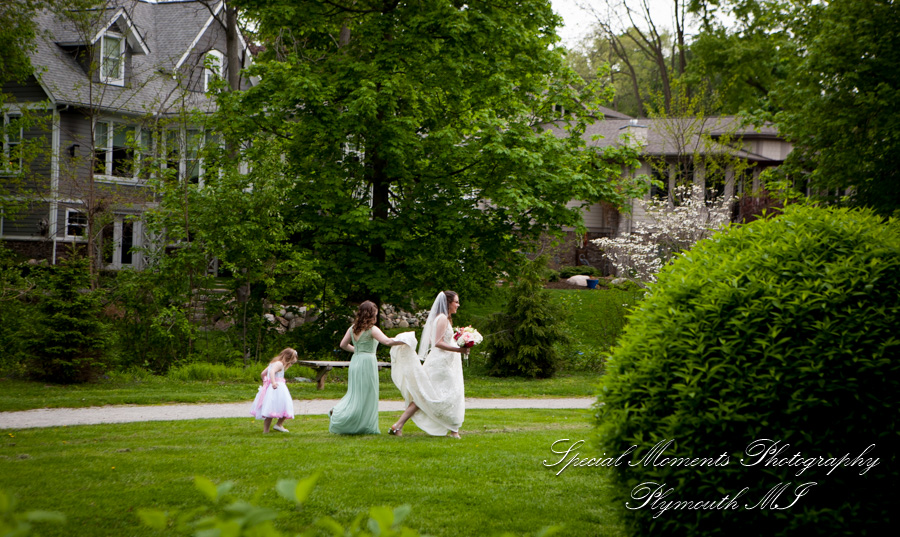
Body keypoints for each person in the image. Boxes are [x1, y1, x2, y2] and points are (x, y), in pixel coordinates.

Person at [388, 290, 469, 439]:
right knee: (446, 394)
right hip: (441, 364)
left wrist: (458, 340)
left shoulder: (442, 319)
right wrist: (459, 349)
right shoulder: (443, 318)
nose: (458, 304)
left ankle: (398, 425)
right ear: (448, 303)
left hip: (444, 362)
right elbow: (438, 343)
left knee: (424, 396)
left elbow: (433, 340)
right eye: (456, 302)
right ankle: (454, 430)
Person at [329, 301, 406, 434]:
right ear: (371, 314)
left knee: (355, 393)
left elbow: (343, 344)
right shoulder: (372, 329)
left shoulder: (353, 328)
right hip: (368, 362)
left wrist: (358, 351)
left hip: (356, 361)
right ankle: (339, 412)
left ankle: (343, 414)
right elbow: (387, 341)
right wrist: (405, 340)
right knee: (367, 394)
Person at [250, 348, 298, 433]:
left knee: (271, 407)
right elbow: (272, 371)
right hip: (278, 387)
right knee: (285, 404)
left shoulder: (273, 363)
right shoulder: (279, 364)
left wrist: (265, 382)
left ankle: (267, 430)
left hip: (272, 388)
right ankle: (278, 424)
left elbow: (263, 373)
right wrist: (273, 382)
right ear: (289, 357)